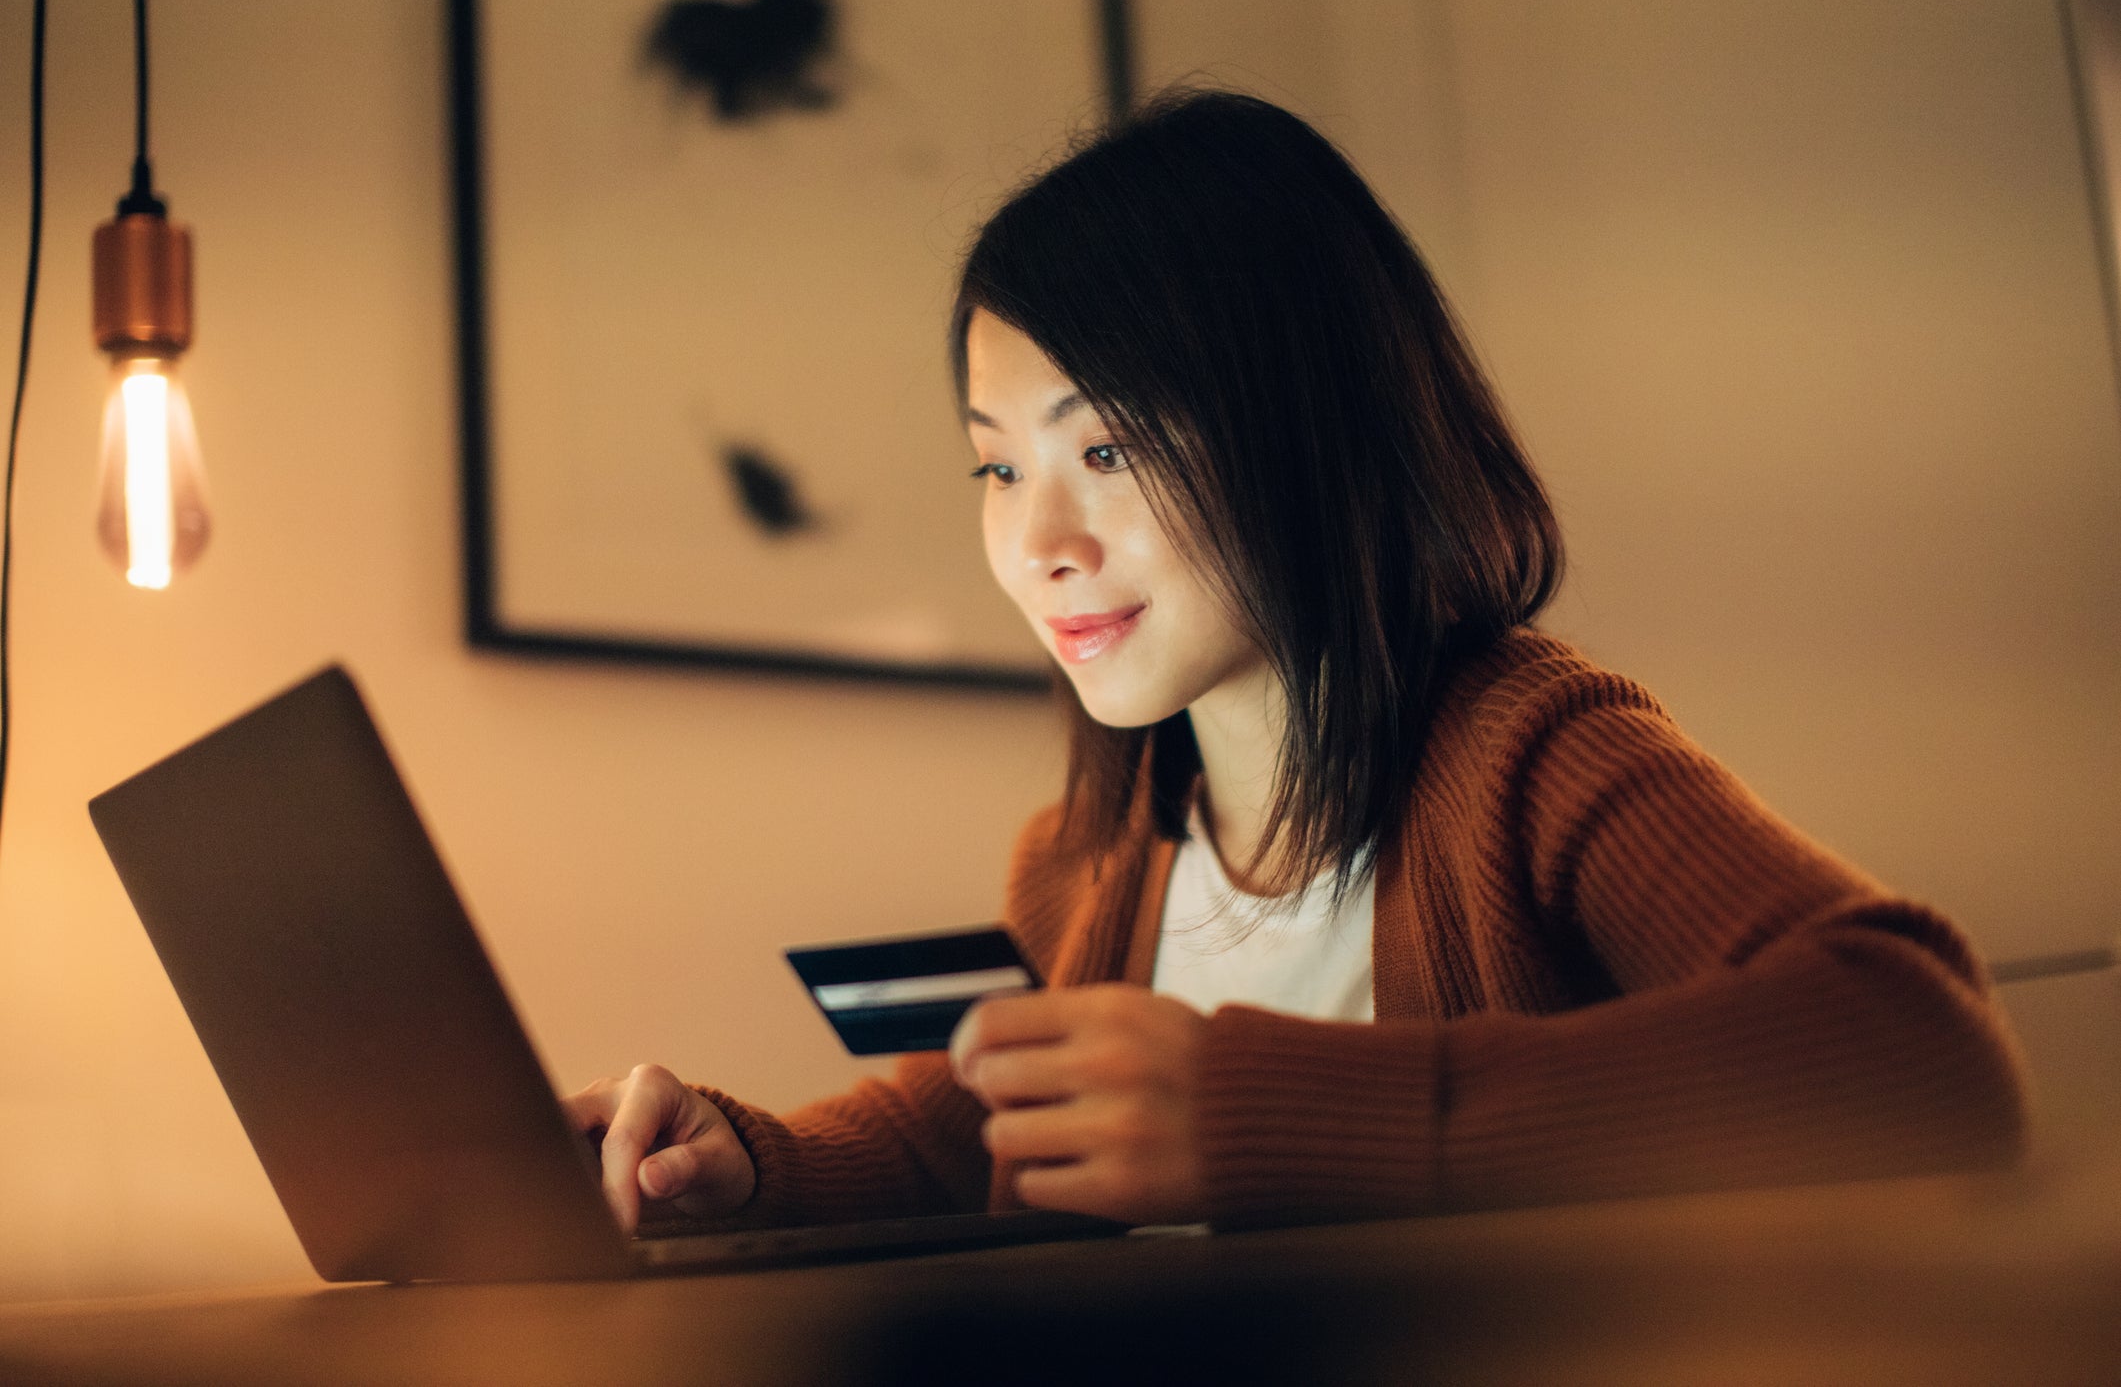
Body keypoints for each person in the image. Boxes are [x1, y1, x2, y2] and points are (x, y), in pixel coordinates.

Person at [563, 89, 2026, 1235]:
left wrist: (1282, 1111)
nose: (1037, 540)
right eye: (994, 470)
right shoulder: (1081, 862)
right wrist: (738, 1163)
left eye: (1109, 446)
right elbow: (961, 1145)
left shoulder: (1531, 756)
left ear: (1305, 428)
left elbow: (1924, 1048)